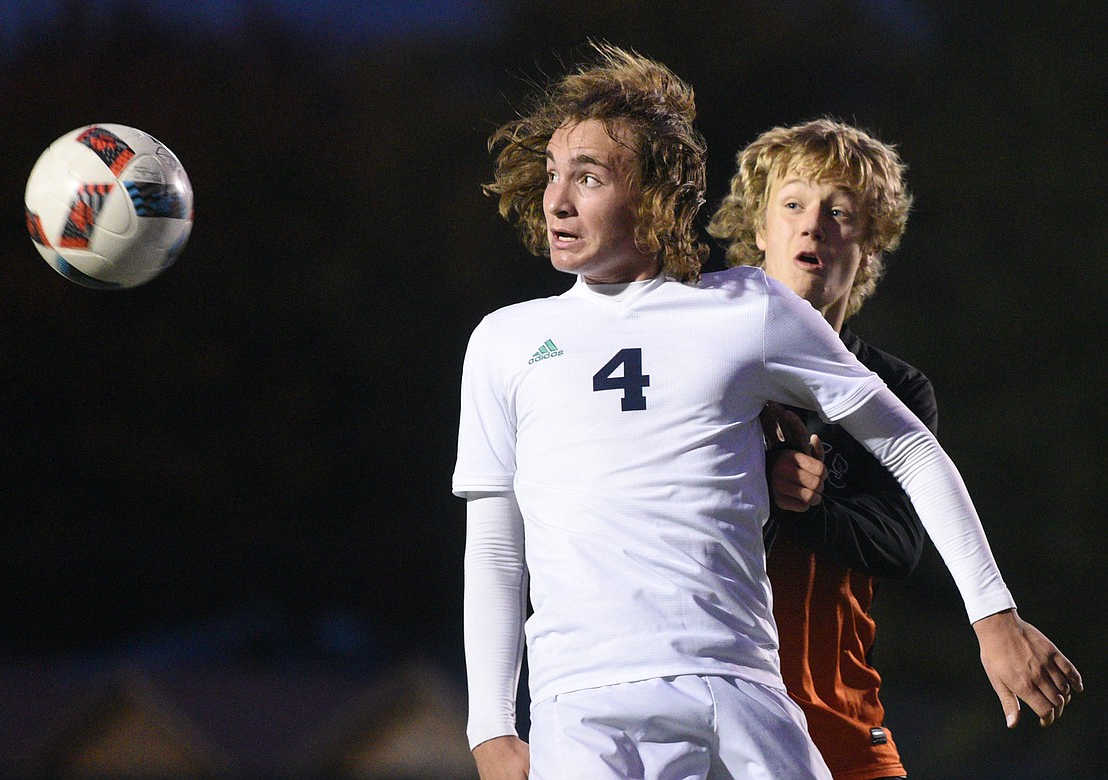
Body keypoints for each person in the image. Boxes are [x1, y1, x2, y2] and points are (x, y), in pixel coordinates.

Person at [454, 44, 1080, 780]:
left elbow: (910, 450)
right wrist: (491, 727)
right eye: (554, 175)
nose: (557, 199)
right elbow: (497, 544)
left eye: (587, 178)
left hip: (741, 692)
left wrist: (994, 617)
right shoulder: (506, 340)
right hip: (586, 708)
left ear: (656, 192)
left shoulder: (748, 311)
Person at [707, 118, 930, 779]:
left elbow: (900, 544)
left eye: (840, 212)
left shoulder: (893, 387)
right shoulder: (701, 358)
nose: (813, 225)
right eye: (794, 204)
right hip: (707, 723)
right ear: (759, 229)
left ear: (872, 242)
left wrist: (811, 504)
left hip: (841, 724)